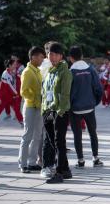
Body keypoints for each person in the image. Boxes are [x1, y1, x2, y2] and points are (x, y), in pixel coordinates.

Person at [67, 46, 104, 169]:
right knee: (93, 133)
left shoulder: (70, 72)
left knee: (77, 135)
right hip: (89, 107)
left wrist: (70, 105)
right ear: (82, 56)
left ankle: (81, 160)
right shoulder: (91, 70)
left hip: (75, 109)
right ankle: (95, 158)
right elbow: (99, 89)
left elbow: (67, 92)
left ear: (71, 58)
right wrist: (94, 102)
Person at [41, 42, 72, 184]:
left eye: (55, 54)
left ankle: (59, 172)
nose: (52, 57)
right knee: (54, 142)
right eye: (50, 54)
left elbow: (65, 94)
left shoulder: (64, 71)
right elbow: (45, 91)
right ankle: (65, 170)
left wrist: (60, 111)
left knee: (59, 142)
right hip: (48, 110)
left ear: (60, 56)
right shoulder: (50, 71)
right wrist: (45, 109)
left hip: (59, 111)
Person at [18, 47, 46, 173]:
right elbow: (23, 91)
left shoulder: (37, 71)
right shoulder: (27, 72)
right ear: (33, 57)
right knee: (27, 135)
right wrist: (35, 99)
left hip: (39, 107)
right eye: (41, 56)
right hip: (31, 107)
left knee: (37, 136)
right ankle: (23, 163)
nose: (42, 59)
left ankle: (32, 162)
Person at [0, 58, 23, 126]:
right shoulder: (6, 74)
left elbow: (16, 78)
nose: (15, 66)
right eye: (14, 64)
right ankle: (21, 121)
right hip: (4, 96)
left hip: (10, 96)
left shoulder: (10, 72)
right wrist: (16, 93)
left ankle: (21, 122)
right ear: (10, 65)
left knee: (16, 108)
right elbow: (9, 86)